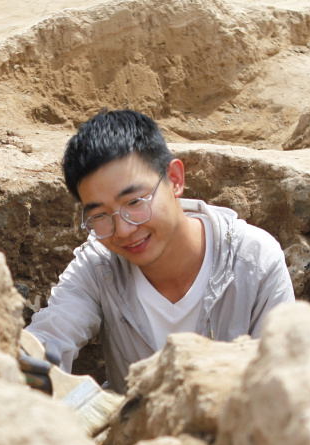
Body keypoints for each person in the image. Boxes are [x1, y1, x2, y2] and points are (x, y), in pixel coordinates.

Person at [25, 109, 294, 393]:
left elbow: (283, 383)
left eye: (134, 202)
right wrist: (30, 359)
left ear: (174, 179)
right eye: (100, 215)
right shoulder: (98, 266)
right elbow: (53, 331)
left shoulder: (254, 261)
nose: (124, 230)